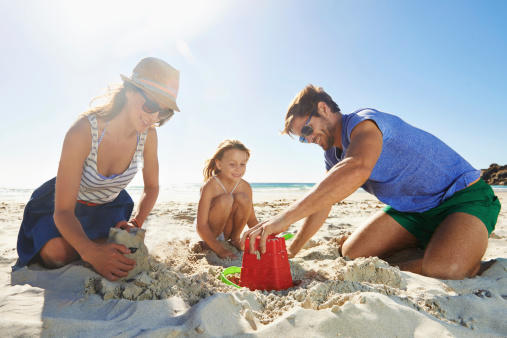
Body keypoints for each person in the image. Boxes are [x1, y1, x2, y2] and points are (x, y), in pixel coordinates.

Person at [241, 84, 501, 280]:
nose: (307, 140)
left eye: (306, 130)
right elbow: (324, 201)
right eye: (301, 138)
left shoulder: (364, 122)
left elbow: (358, 168)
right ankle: (438, 242)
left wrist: (282, 219)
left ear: (323, 108)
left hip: (463, 197)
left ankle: (455, 251)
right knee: (352, 252)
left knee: (447, 269)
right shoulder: (332, 153)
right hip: (413, 211)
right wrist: (294, 248)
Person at [16, 57, 180, 281]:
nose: (154, 117)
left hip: (108, 208)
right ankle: (97, 243)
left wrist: (135, 223)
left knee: (114, 248)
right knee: (56, 254)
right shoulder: (83, 131)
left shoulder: (149, 135)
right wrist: (90, 252)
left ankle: (100, 241)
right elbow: (62, 211)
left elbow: (151, 187)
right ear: (130, 91)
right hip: (65, 207)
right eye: (151, 105)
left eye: (164, 113)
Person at [196, 140, 258, 259]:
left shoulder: (245, 186)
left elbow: (251, 219)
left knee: (244, 198)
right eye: (232, 164)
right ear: (219, 165)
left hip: (228, 230)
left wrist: (265, 238)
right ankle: (211, 244)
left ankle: (235, 239)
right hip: (209, 232)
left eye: (242, 164)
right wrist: (220, 250)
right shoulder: (210, 186)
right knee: (226, 200)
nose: (238, 169)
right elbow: (201, 225)